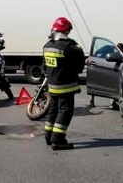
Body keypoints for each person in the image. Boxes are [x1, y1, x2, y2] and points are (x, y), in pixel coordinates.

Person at [43, 17, 86, 150]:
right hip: (66, 86)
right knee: (65, 112)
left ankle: (48, 136)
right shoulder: (70, 47)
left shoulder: (47, 46)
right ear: (67, 30)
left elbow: (44, 67)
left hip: (52, 85)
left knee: (53, 110)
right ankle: (58, 140)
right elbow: (79, 67)